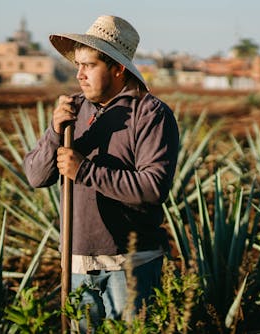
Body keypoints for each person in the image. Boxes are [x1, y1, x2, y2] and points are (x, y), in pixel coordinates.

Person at [23, 15, 179, 329]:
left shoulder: (150, 113)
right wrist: (55, 131)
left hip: (131, 265)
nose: (79, 74)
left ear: (118, 68)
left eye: (89, 65)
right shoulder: (72, 111)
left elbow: (153, 187)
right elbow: (35, 177)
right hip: (77, 264)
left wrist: (85, 171)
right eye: (77, 66)